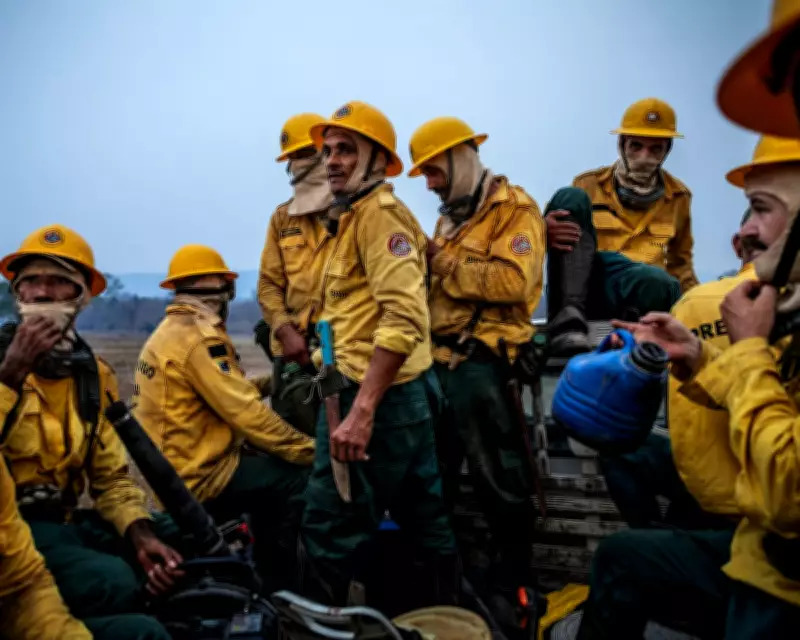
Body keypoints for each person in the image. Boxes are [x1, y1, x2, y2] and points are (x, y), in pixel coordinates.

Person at [576, 131, 800, 639]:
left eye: (761, 209)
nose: (745, 229)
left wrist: (748, 349)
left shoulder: (730, 297)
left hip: (781, 581)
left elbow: (788, 492)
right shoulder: (786, 309)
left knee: (624, 556)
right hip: (757, 545)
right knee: (623, 555)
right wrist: (697, 357)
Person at [299, 101, 459, 607]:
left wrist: (362, 411)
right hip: (394, 391)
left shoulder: (379, 216)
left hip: (376, 395)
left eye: (346, 150)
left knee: (329, 525)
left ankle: (313, 626)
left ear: (376, 161)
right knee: (424, 517)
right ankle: (447, 616)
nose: (332, 161)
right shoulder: (356, 216)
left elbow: (404, 317)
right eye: (328, 151)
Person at [0, 224, 177, 640]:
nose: (42, 292)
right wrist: (10, 376)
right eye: (31, 281)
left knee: (181, 537)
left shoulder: (92, 375)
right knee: (113, 582)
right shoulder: (3, 365)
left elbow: (111, 478)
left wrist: (139, 533)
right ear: (17, 293)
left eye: (59, 281)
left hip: (62, 519)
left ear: (81, 297)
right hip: (12, 529)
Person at [406, 116, 546, 612]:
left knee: (498, 481)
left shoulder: (515, 210)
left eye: (433, 171)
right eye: (425, 175)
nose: (429, 184)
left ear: (460, 158)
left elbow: (514, 283)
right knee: (432, 476)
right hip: (439, 361)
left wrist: (441, 261)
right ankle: (447, 583)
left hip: (482, 362)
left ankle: (514, 586)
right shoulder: (450, 218)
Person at [132, 244, 315, 592]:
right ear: (221, 288)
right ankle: (283, 585)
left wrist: (277, 380)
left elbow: (224, 391)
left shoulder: (172, 331)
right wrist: (312, 451)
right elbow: (248, 415)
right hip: (202, 474)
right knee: (300, 480)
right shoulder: (200, 338)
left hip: (175, 468)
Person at [545, 98, 698, 355]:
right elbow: (543, 244)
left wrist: (700, 311)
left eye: (655, 149)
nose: (644, 157)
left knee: (658, 281)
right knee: (569, 198)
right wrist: (542, 232)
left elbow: (681, 266)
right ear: (622, 144)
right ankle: (568, 322)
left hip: (644, 295)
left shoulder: (679, 197)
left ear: (667, 151)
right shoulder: (588, 184)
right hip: (590, 286)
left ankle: (638, 337)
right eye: (636, 146)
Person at [258, 112, 335, 436]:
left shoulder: (355, 214)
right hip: (293, 353)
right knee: (298, 440)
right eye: (294, 157)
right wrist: (284, 328)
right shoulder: (282, 219)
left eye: (307, 154)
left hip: (342, 351)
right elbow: (268, 284)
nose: (299, 164)